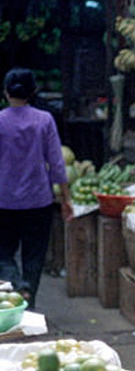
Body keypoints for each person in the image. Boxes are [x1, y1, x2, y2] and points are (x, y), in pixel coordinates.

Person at [0, 68, 72, 307]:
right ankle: (27, 299)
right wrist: (66, 199)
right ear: (34, 92)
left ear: (5, 93)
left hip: (4, 200)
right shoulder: (44, 120)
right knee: (34, 256)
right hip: (38, 200)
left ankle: (15, 285)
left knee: (3, 254)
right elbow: (57, 163)